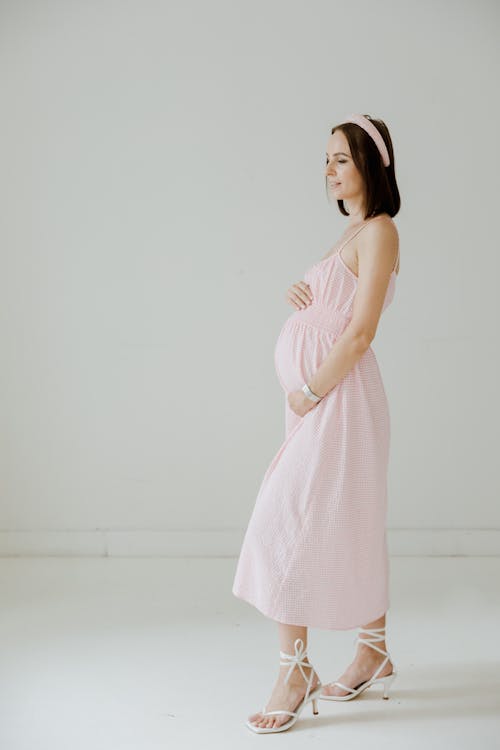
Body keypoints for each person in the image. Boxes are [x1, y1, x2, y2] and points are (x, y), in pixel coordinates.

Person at [232, 113, 401, 734]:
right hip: (318, 397)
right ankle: (374, 651)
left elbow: (360, 332)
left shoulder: (380, 230)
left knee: (289, 514)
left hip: (339, 396)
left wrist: (308, 388)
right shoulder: (348, 236)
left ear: (371, 166)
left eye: (340, 159)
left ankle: (294, 666)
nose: (328, 170)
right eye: (325, 159)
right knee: (346, 511)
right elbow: (334, 307)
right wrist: (301, 295)